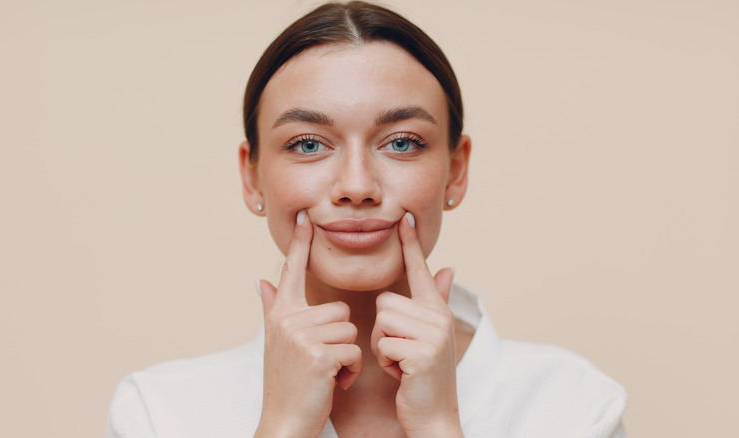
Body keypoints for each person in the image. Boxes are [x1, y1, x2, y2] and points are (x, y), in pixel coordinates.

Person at [106, 2, 628, 437]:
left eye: (401, 143)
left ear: (456, 170)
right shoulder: (157, 413)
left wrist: (439, 426)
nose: (356, 186)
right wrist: (283, 425)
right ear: (252, 176)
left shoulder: (573, 405)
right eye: (308, 144)